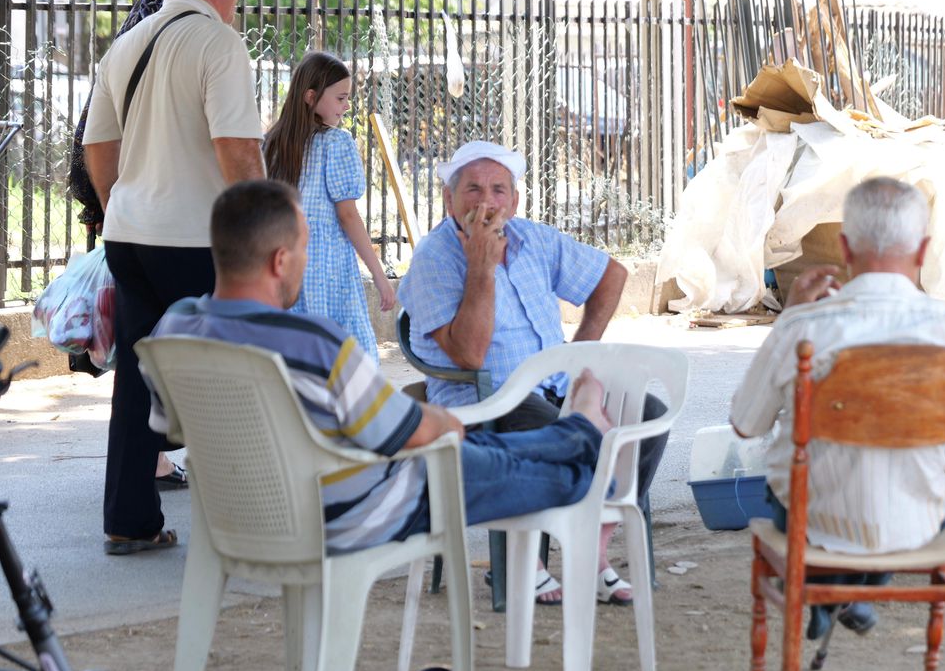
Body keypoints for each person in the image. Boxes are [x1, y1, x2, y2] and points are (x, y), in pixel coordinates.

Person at [146, 179, 614, 551]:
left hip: (238, 521)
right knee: (563, 474)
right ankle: (586, 432)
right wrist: (446, 423)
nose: (306, 261)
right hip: (355, 515)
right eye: (306, 249)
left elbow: (172, 427)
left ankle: (580, 431)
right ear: (280, 261)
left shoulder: (173, 329)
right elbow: (406, 434)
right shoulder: (313, 343)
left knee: (499, 453)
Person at [730, 177, 945, 640]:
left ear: (845, 248)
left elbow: (746, 425)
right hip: (916, 525)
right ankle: (849, 593)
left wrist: (789, 316)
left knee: (795, 484)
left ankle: (832, 590)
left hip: (812, 526)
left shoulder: (802, 327)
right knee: (923, 486)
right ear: (923, 251)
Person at [397, 140, 668, 606]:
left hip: (555, 388)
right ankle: (525, 558)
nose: (487, 202)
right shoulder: (433, 258)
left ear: (515, 199)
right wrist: (480, 266)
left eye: (499, 189)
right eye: (473, 189)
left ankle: (591, 546)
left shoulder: (533, 239)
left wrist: (582, 351)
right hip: (486, 400)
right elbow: (470, 356)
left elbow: (612, 275)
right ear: (448, 199)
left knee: (648, 415)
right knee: (561, 432)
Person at [82, 0, 265, 555]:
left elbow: (97, 146)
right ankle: (248, 520)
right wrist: (264, 234)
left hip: (130, 236)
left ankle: (128, 521)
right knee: (231, 374)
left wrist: (123, 203)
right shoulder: (219, 43)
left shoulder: (126, 44)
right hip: (196, 240)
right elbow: (238, 152)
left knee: (136, 377)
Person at [68, 0, 187, 492]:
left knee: (139, 346)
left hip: (123, 220)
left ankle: (146, 467)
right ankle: (155, 459)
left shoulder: (125, 50)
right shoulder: (172, 53)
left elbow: (88, 139)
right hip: (161, 225)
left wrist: (104, 207)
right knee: (160, 345)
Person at [263, 51, 396, 361]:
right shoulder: (336, 143)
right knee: (343, 359)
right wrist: (379, 275)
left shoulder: (270, 143)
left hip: (283, 263)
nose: (347, 106)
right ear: (311, 97)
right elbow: (347, 215)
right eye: (341, 98)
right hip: (327, 269)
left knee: (295, 354)